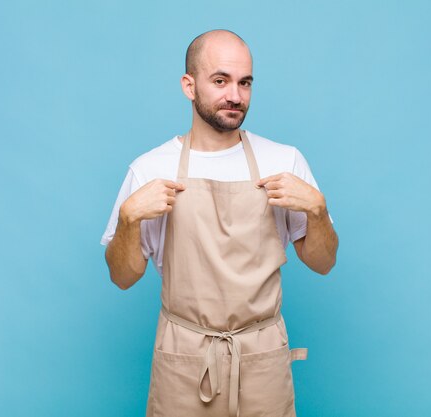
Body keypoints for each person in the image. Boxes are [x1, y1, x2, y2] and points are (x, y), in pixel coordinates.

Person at [101, 29, 338, 417]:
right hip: (185, 357)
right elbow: (122, 278)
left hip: (261, 357)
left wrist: (317, 210)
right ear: (188, 86)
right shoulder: (149, 169)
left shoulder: (285, 160)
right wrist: (128, 219)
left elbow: (323, 263)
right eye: (220, 81)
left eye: (245, 83)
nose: (235, 96)